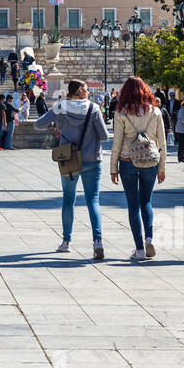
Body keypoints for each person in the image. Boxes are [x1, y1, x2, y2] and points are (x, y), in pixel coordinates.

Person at [35, 79, 110, 258]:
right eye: (85, 88)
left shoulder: (60, 107)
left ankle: (66, 241)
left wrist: (57, 124)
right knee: (93, 200)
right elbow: (105, 136)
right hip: (92, 159)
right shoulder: (93, 108)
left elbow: (38, 124)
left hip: (69, 160)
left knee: (68, 199)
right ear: (78, 90)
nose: (87, 91)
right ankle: (97, 240)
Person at [109, 76, 167, 261]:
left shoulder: (120, 114)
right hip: (150, 162)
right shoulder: (156, 112)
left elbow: (116, 143)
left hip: (128, 161)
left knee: (133, 206)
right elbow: (162, 142)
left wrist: (113, 168)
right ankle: (149, 237)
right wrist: (162, 167)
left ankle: (139, 249)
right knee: (146, 202)